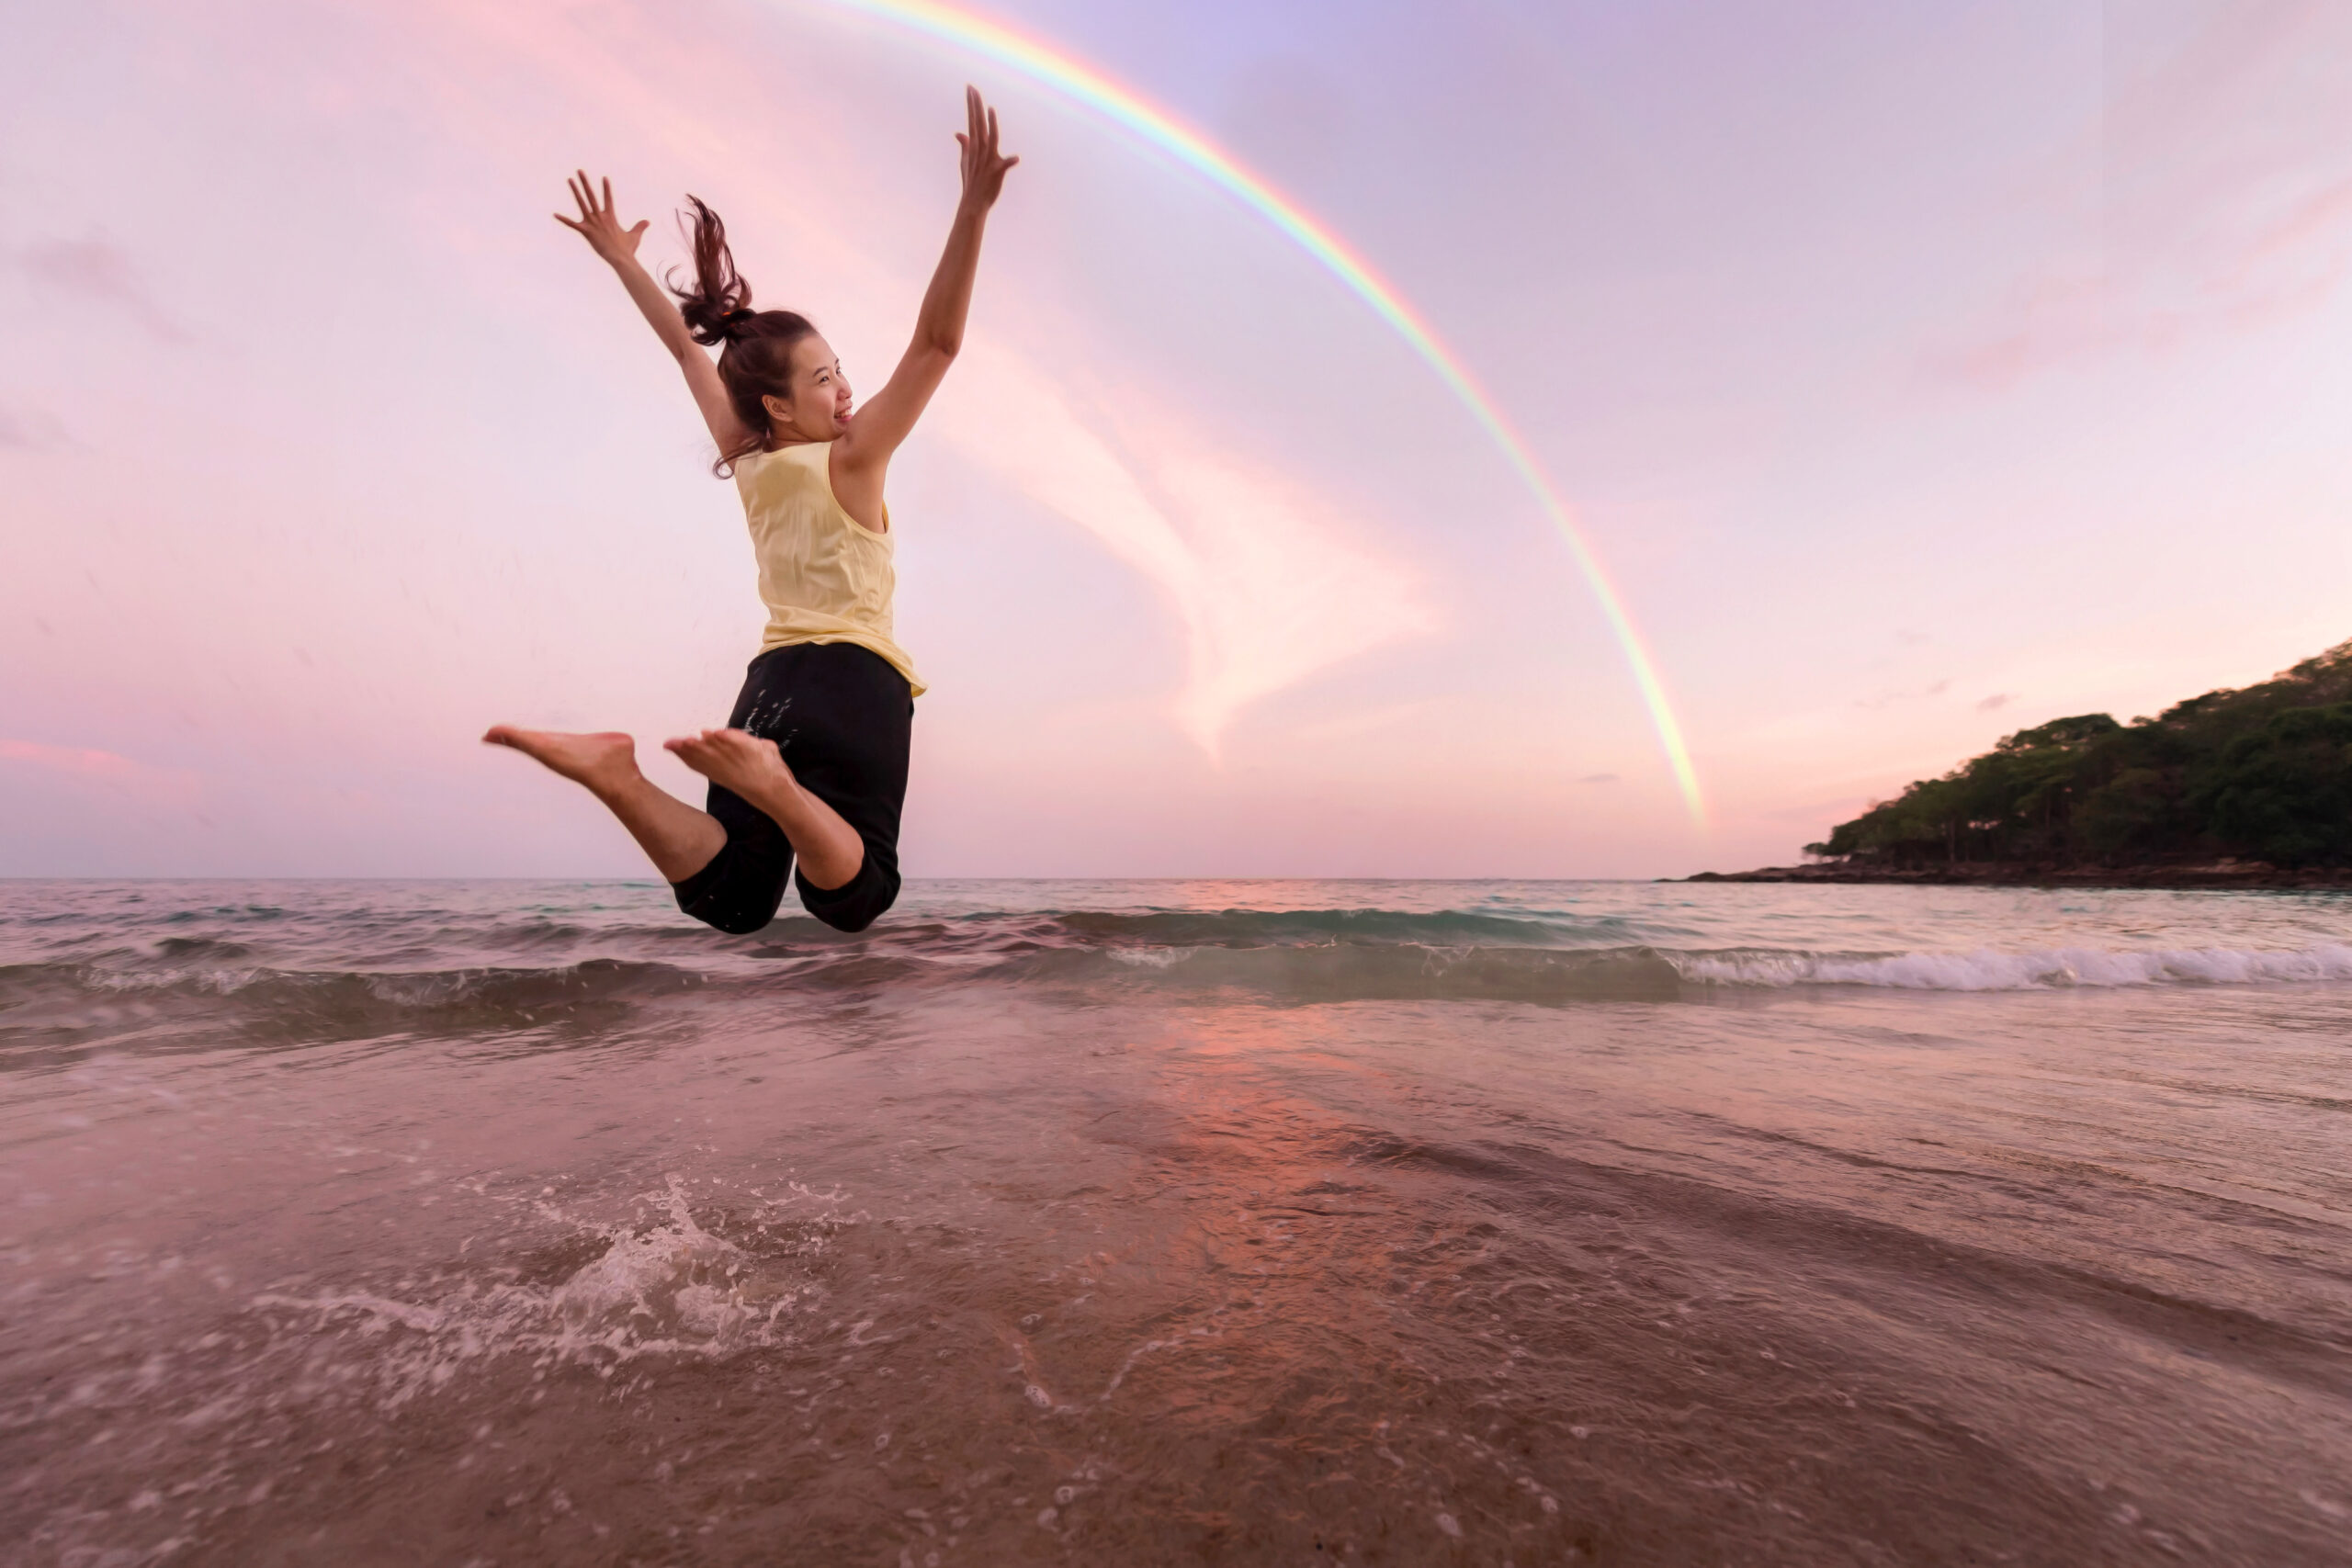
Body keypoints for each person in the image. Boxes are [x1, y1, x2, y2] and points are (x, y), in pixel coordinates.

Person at [485, 88, 1016, 935]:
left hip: (767, 694)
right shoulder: (855, 457)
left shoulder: (751, 461)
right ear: (776, 405)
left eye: (841, 371)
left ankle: (618, 777)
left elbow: (681, 350)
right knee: (856, 893)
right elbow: (937, 344)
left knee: (732, 895)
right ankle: (773, 788)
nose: (845, 390)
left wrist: (624, 262)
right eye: (823, 379)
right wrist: (973, 209)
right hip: (854, 682)